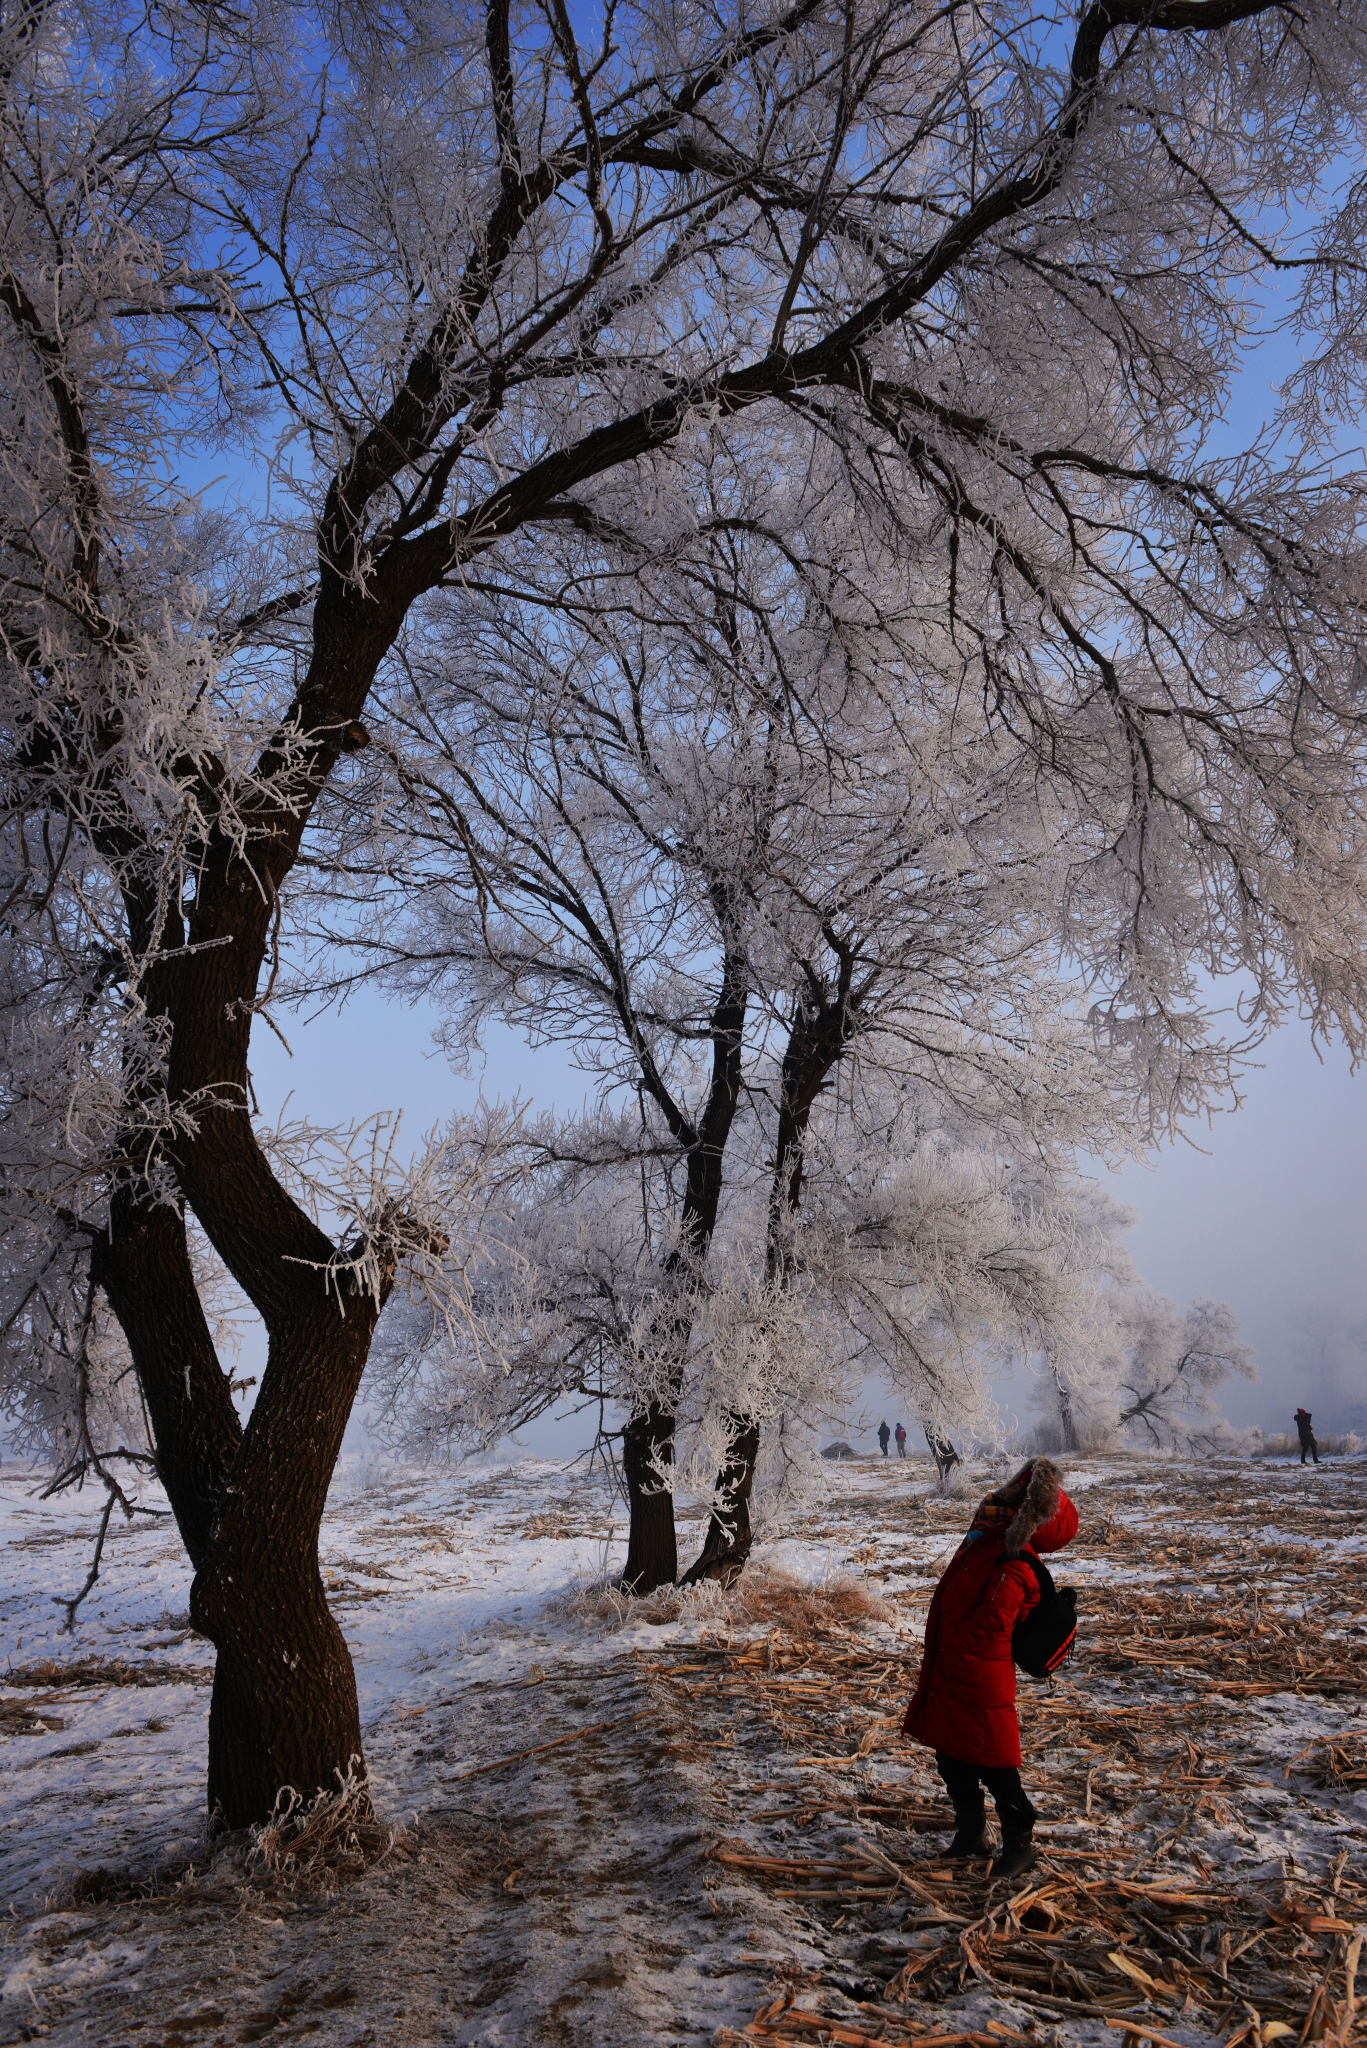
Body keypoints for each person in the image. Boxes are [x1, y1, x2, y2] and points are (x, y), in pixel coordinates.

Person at [902, 1457, 1078, 1880]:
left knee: (997, 1767)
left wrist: (956, 1646)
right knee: (951, 1756)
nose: (1007, 1493)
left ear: (1031, 1516)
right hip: (955, 1667)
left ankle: (1019, 1844)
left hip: (980, 1677)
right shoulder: (987, 1538)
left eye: (1021, 1493)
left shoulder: (1016, 1560)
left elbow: (992, 1624)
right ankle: (971, 1834)